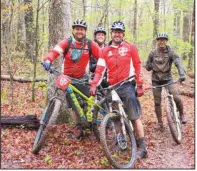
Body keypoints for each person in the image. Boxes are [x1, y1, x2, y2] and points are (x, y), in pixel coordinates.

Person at [90, 21, 147, 158]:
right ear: (111, 33)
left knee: (134, 116)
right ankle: (120, 138)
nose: (117, 34)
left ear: (123, 34)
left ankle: (142, 146)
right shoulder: (105, 51)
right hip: (112, 87)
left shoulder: (130, 47)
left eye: (119, 32)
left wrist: (139, 85)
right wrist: (94, 84)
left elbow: (138, 66)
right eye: (115, 32)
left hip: (127, 85)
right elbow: (100, 69)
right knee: (115, 116)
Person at [43, 19, 101, 138]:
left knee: (86, 103)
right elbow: (55, 51)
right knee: (74, 105)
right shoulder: (67, 43)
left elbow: (102, 57)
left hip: (83, 78)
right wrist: (48, 60)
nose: (79, 31)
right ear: (73, 30)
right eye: (77, 29)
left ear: (85, 31)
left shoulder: (90, 44)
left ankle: (90, 125)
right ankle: (78, 127)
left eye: (82, 29)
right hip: (67, 79)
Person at [145, 33, 187, 131]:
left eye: (164, 40)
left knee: (176, 96)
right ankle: (160, 123)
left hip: (168, 79)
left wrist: (182, 74)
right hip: (156, 80)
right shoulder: (152, 53)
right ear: (157, 41)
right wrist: (149, 66)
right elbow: (147, 65)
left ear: (166, 41)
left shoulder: (171, 52)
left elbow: (178, 62)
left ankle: (182, 114)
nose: (162, 41)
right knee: (157, 102)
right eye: (160, 40)